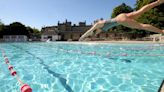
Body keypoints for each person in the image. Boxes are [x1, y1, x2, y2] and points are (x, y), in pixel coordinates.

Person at [79, 0, 164, 41]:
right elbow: (92, 34)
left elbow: (89, 31)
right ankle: (157, 2)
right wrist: (88, 37)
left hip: (120, 20)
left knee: (141, 26)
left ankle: (162, 31)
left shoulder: (98, 25)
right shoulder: (100, 28)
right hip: (121, 16)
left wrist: (81, 37)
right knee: (140, 11)